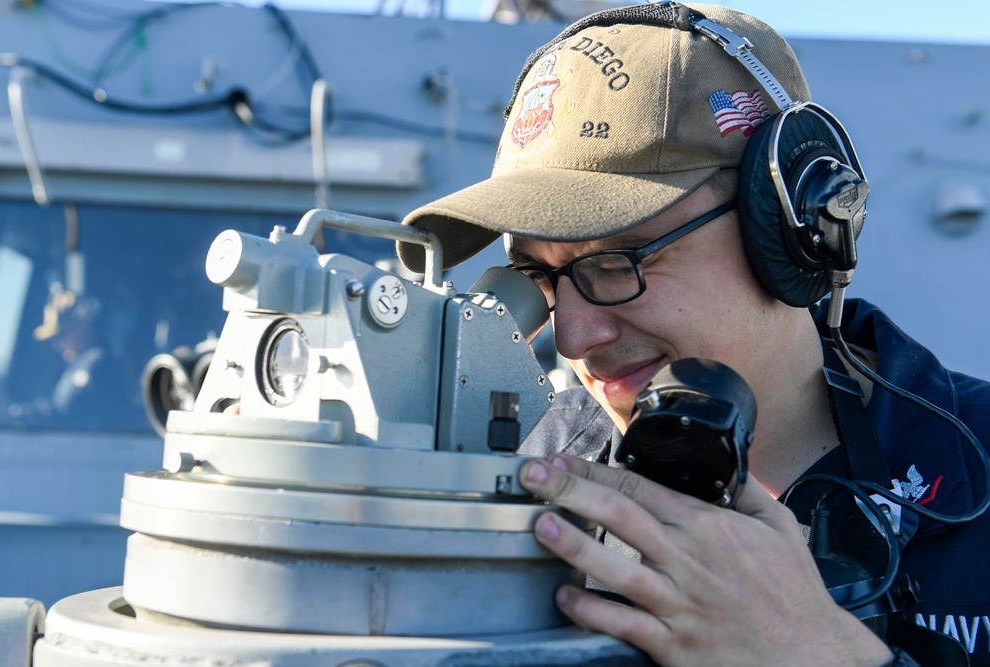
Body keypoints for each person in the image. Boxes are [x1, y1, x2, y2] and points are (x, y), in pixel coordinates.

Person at [396, 2, 990, 666]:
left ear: (792, 228)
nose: (572, 336)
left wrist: (818, 652)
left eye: (620, 260)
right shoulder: (512, 472)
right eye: (539, 274)